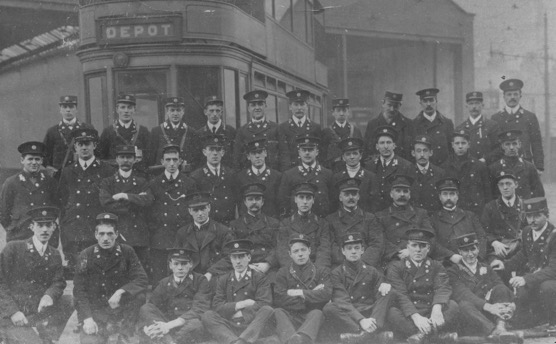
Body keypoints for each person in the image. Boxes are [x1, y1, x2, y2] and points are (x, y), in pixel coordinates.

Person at [0, 206, 73, 344]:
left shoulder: (54, 254)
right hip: (11, 315)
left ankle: (47, 337)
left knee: (69, 301)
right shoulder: (14, 248)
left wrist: (49, 295)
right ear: (32, 227)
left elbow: (59, 282)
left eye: (48, 225)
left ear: (54, 228)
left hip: (36, 313)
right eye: (40, 225)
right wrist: (13, 312)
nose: (44, 230)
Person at [73, 213, 148, 344]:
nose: (106, 238)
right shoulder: (86, 254)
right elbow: (79, 290)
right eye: (101, 234)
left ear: (117, 234)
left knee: (139, 296)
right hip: (96, 310)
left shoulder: (126, 251)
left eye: (110, 233)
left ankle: (125, 331)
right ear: (95, 235)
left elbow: (141, 278)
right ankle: (102, 329)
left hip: (120, 307)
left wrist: (121, 291)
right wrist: (87, 318)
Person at [491, 197, 556, 330]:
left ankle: (553, 321)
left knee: (547, 287)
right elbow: (523, 255)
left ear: (547, 215)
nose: (532, 220)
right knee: (521, 301)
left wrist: (526, 279)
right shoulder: (527, 231)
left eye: (537, 216)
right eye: (529, 216)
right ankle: (535, 319)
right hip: (535, 277)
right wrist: (505, 265)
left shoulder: (554, 236)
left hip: (551, 279)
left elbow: (553, 269)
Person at [386, 227, 459, 344]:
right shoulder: (396, 267)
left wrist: (437, 309)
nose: (418, 250)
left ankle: (419, 336)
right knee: (392, 312)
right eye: (414, 245)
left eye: (422, 246)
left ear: (428, 248)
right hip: (410, 313)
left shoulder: (436, 266)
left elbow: (442, 287)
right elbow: (400, 295)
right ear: (407, 247)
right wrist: (416, 317)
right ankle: (435, 336)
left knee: (453, 306)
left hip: (431, 310)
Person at [58, 128, 115, 275]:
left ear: (94, 145)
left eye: (87, 143)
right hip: (73, 230)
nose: (84, 147)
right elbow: (62, 201)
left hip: (96, 228)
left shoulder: (107, 170)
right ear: (75, 147)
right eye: (80, 144)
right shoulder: (67, 171)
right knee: (76, 273)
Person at [322, 232, 394, 344]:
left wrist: (385, 285)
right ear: (343, 251)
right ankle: (371, 333)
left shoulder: (372, 271)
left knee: (388, 292)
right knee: (329, 308)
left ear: (362, 250)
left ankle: (362, 336)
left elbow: (380, 295)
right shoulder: (336, 273)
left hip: (371, 312)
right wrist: (361, 320)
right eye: (349, 248)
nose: (353, 251)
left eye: (357, 248)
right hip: (352, 315)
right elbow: (342, 301)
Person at [202, 239, 275, 344]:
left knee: (267, 310)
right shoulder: (224, 279)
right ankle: (233, 341)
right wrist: (240, 304)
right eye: (234, 257)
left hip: (251, 323)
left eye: (241, 257)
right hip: (230, 323)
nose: (238, 261)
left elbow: (264, 302)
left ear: (249, 258)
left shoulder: (259, 277)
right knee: (208, 316)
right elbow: (217, 305)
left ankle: (242, 341)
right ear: (230, 259)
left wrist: (242, 314)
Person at [447, 233, 518, 340]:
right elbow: (463, 294)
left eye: (473, 249)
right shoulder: (453, 271)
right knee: (464, 305)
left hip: (491, 313)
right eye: (466, 250)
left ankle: (501, 326)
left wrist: (511, 301)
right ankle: (494, 332)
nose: (470, 254)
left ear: (478, 249)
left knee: (501, 289)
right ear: (459, 252)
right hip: (471, 317)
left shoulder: (486, 267)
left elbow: (499, 284)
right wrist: (489, 307)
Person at [147, 144, 197, 285]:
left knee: (182, 274)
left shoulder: (189, 183)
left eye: (175, 160)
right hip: (160, 236)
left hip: (181, 236)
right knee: (160, 276)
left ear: (180, 161)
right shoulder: (154, 183)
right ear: (162, 162)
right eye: (168, 160)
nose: (171, 163)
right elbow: (149, 212)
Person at [138, 248, 211, 344]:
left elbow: (200, 308)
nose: (180, 268)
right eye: (176, 264)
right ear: (170, 265)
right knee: (146, 308)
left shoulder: (200, 280)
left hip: (186, 323)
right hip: (166, 324)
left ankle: (168, 341)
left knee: (196, 325)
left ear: (190, 264)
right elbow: (153, 306)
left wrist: (169, 325)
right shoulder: (164, 282)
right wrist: (153, 325)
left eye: (184, 263)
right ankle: (167, 339)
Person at [99, 144, 154, 271]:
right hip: (118, 230)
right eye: (122, 157)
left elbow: (148, 200)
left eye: (129, 157)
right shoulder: (108, 182)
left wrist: (125, 196)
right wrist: (135, 201)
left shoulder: (142, 181)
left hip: (138, 233)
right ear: (117, 159)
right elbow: (106, 203)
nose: (125, 160)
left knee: (138, 269)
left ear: (135, 160)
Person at [274, 234, 332, 344]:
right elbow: (279, 298)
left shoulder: (321, 271)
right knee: (277, 311)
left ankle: (299, 339)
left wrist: (299, 292)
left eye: (303, 250)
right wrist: (311, 295)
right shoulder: (283, 272)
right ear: (290, 254)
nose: (300, 254)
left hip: (310, 316)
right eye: (295, 251)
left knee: (317, 313)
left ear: (309, 251)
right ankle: (296, 340)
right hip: (290, 316)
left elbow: (326, 294)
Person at [0, 141, 57, 243]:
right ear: (22, 160)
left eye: (37, 159)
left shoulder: (49, 182)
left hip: (43, 236)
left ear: (41, 161)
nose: (34, 162)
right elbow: (3, 212)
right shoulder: (11, 182)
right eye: (30, 159)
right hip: (20, 234)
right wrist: (13, 228)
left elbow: (56, 207)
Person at [374, 174, 434, 267]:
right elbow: (380, 241)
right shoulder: (381, 216)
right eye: (398, 191)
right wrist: (397, 252)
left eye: (405, 191)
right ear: (391, 194)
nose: (402, 194)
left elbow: (430, 237)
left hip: (419, 257)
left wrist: (412, 251)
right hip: (395, 258)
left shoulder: (421, 213)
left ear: (409, 195)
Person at [326, 178, 384, 268]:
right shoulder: (331, 220)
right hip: (341, 266)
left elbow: (376, 244)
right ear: (340, 198)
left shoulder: (370, 218)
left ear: (358, 196)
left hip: (366, 265)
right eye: (346, 195)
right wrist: (347, 263)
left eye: (353, 194)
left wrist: (362, 263)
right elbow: (331, 246)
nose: (351, 198)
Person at [175, 191, 232, 283]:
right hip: (189, 279)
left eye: (203, 209)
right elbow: (176, 259)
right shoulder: (182, 233)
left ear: (209, 208)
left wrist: (210, 273)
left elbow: (229, 257)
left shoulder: (223, 231)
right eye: (195, 210)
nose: (200, 213)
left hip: (215, 277)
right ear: (189, 211)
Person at [274, 182, 331, 270]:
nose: (305, 202)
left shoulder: (322, 224)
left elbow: (324, 251)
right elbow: (283, 252)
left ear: (313, 200)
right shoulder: (285, 224)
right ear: (295, 199)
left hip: (315, 268)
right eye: (301, 197)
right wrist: (293, 271)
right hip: (292, 269)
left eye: (308, 198)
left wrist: (317, 271)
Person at [430, 178, 487, 263]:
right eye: (445, 194)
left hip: (473, 260)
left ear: (457, 196)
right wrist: (450, 255)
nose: (448, 198)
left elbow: (482, 237)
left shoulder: (470, 216)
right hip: (447, 262)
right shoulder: (433, 219)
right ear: (440, 197)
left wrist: (478, 256)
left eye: (452, 194)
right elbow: (432, 242)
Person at [491, 79, 544, 172]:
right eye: (509, 94)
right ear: (504, 97)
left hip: (525, 164)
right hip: (502, 165)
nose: (512, 97)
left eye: (515, 94)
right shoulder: (496, 118)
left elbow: (536, 143)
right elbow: (493, 145)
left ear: (520, 96)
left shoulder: (529, 117)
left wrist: (539, 166)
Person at [228, 183, 280, 276]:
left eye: (257, 199)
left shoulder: (273, 223)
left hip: (268, 268)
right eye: (250, 199)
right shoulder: (235, 224)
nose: (254, 202)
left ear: (263, 201)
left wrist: (268, 264)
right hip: (245, 267)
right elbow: (232, 251)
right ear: (245, 202)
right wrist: (246, 265)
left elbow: (279, 247)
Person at [278, 135, 334, 218]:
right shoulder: (289, 175)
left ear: (317, 152)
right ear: (299, 152)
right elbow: (283, 203)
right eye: (304, 150)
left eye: (310, 150)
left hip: (322, 222)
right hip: (297, 224)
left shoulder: (327, 174)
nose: (307, 153)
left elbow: (333, 201)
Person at [441, 129, 492, 216]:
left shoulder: (479, 166)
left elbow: (487, 194)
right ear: (452, 145)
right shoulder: (444, 167)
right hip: (453, 214)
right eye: (457, 143)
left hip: (475, 213)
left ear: (469, 144)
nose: (460, 146)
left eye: (463, 143)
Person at [190, 133, 238, 225]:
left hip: (228, 224)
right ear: (204, 152)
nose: (215, 153)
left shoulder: (231, 174)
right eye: (211, 149)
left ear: (223, 152)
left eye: (218, 149)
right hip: (209, 225)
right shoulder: (196, 176)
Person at [363, 126, 412, 212]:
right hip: (375, 213)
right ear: (377, 146)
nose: (386, 146)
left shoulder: (405, 166)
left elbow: (410, 195)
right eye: (382, 143)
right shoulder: (369, 165)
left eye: (388, 142)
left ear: (394, 145)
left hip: (397, 213)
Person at [149, 96, 201, 174]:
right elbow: (151, 159)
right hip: (162, 175)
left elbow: (196, 159)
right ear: (167, 111)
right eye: (172, 110)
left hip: (184, 176)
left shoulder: (191, 132)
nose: (175, 113)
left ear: (183, 111)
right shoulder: (157, 131)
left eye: (178, 110)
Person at [43, 95, 93, 176]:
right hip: (61, 176)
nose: (68, 110)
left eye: (71, 107)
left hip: (83, 174)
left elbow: (97, 151)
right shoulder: (53, 131)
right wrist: (50, 168)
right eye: (64, 107)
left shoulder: (87, 128)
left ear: (76, 109)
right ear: (60, 109)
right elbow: (44, 155)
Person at [98, 94, 150, 170]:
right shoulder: (108, 131)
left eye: (129, 108)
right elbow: (101, 156)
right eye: (122, 107)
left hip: (137, 174)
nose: (126, 111)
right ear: (117, 109)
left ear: (134, 110)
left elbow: (148, 156)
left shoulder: (143, 131)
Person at [481, 171, 525, 261]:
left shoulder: (524, 205)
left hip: (522, 249)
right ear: (498, 186)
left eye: (508, 184)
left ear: (516, 185)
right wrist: (494, 242)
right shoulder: (490, 207)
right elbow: (483, 231)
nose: (505, 187)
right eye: (501, 184)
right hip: (499, 250)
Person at [488, 128, 544, 199]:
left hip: (525, 208)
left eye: (514, 143)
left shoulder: (529, 167)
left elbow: (539, 193)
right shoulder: (494, 168)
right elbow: (491, 195)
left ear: (519, 145)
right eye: (507, 144)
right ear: (502, 146)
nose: (511, 147)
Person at [235, 138, 282, 218]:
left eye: (260, 152)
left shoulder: (277, 176)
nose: (257, 156)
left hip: (270, 222)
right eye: (253, 153)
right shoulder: (241, 177)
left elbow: (279, 203)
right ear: (248, 157)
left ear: (265, 153)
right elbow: (240, 204)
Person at [234, 90, 280, 170]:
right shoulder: (242, 131)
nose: (257, 108)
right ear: (248, 108)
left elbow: (283, 155)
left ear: (265, 106)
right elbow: (237, 158)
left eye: (260, 104)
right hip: (250, 177)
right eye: (253, 105)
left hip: (272, 176)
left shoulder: (276, 128)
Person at [278, 90, 324, 171]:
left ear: (307, 106)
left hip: (311, 171)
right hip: (291, 172)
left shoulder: (315, 127)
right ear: (290, 107)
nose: (299, 108)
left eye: (302, 104)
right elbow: (283, 154)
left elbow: (319, 154)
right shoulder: (283, 128)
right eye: (296, 104)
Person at [364, 91, 414, 161]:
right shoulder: (373, 124)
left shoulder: (408, 124)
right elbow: (367, 151)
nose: (392, 109)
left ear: (400, 106)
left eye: (396, 106)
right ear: (383, 103)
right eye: (389, 105)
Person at [332, 137, 377, 213]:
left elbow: (374, 203)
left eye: (355, 153)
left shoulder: (370, 177)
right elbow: (335, 203)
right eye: (348, 154)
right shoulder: (337, 177)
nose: (352, 157)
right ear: (343, 157)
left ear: (360, 155)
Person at [412, 88, 454, 166]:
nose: (428, 104)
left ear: (436, 101)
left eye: (431, 100)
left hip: (444, 170)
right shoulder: (414, 125)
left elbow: (452, 150)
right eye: (425, 101)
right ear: (420, 103)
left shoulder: (447, 123)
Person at [455, 91, 500, 164]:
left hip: (486, 167)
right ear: (466, 106)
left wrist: (485, 159)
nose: (474, 106)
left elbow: (499, 149)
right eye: (471, 103)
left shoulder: (492, 125)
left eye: (477, 103)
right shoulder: (460, 128)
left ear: (482, 105)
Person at [322, 98, 362, 172]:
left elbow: (361, 152)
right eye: (338, 110)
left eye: (344, 110)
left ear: (348, 112)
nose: (341, 113)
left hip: (352, 169)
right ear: (333, 113)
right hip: (333, 170)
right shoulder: (327, 132)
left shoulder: (355, 130)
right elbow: (323, 156)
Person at [408, 135, 446, 213]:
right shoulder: (408, 172)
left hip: (435, 215)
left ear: (431, 153)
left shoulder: (440, 173)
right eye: (418, 151)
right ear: (413, 153)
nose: (422, 154)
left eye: (425, 151)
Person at [197, 95, 236, 168]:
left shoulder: (230, 131)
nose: (214, 114)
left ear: (221, 112)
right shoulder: (200, 133)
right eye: (211, 111)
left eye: (217, 111)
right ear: (205, 112)